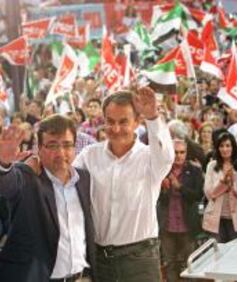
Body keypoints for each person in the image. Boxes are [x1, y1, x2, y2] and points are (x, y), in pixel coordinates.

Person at [74, 87, 174, 282]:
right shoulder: (89, 156)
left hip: (140, 259)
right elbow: (64, 181)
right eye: (110, 122)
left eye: (123, 122)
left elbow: (167, 155)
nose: (116, 129)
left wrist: (153, 117)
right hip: (101, 259)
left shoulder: (151, 158)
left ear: (137, 122)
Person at [0, 114, 95, 282]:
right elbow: (6, 184)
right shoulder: (28, 176)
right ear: (39, 148)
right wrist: (3, 163)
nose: (60, 153)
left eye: (67, 145)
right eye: (52, 145)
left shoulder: (85, 179)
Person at [157, 139, 204, 282]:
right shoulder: (162, 170)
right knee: (170, 264)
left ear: (186, 153)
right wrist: (163, 190)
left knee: (189, 264)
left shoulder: (195, 170)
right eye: (175, 152)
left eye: (182, 152)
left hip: (187, 225)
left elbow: (197, 195)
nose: (178, 156)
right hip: (167, 225)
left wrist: (180, 187)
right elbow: (155, 198)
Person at [202, 132, 237, 243]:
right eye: (221, 146)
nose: (225, 149)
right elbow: (209, 193)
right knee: (217, 256)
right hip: (216, 219)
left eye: (228, 146)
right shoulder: (211, 166)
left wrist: (233, 182)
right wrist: (223, 183)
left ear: (233, 147)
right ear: (217, 148)